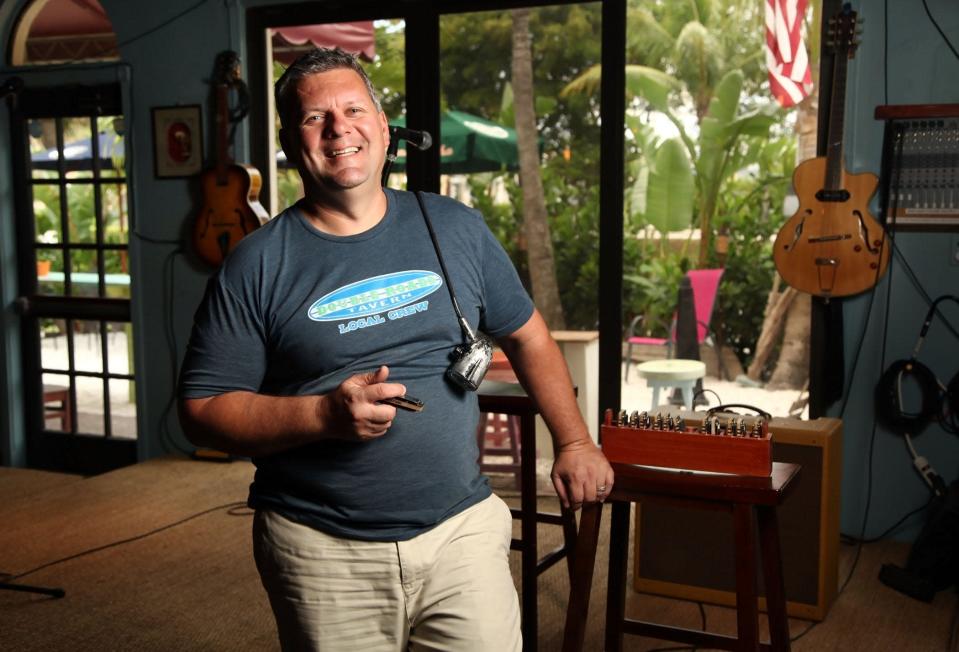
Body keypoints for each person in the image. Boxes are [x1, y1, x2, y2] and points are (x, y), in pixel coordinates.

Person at [177, 47, 613, 651]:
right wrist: (322, 415)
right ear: (288, 140)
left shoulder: (456, 226)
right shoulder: (255, 264)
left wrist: (574, 441)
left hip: (460, 529)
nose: (339, 128)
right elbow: (201, 409)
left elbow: (528, 333)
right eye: (314, 117)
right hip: (320, 548)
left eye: (355, 109)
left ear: (385, 129)